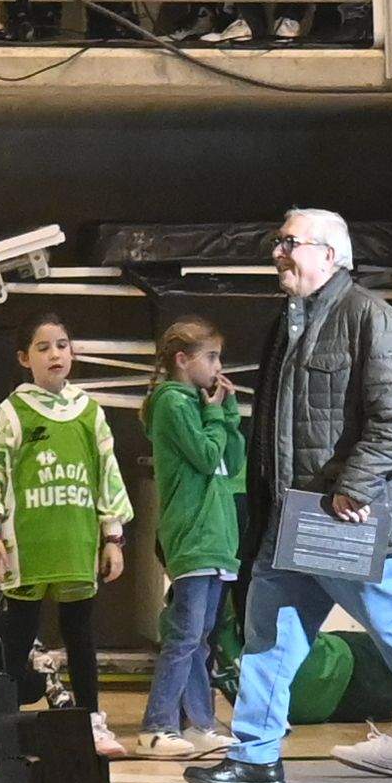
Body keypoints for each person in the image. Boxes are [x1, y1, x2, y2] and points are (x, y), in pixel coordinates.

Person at [193, 206, 392, 783]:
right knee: (268, 634)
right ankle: (255, 756)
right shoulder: (290, 321)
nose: (278, 253)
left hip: (344, 515)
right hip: (293, 515)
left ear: (330, 255)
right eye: (277, 242)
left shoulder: (374, 320)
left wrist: (353, 486)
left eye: (289, 243)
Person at [0, 313, 133, 712]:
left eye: (62, 345)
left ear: (72, 353)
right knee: (19, 633)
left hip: (77, 541)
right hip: (27, 542)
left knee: (79, 632)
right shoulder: (14, 410)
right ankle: (4, 721)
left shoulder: (90, 411)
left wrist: (113, 537)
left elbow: (107, 476)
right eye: (43, 347)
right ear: (24, 358)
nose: (55, 354)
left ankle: (91, 719)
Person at [138, 314, 245, 753]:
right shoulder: (173, 403)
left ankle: (200, 723)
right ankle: (156, 726)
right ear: (183, 360)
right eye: (212, 357)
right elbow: (204, 455)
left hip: (217, 537)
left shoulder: (202, 406)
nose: (219, 367)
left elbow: (230, 462)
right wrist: (215, 414)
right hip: (193, 535)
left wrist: (228, 412)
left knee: (201, 638)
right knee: (184, 636)